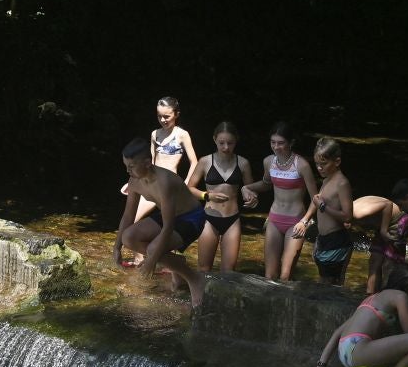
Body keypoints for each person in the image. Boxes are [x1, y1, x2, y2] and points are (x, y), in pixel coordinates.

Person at [114, 137, 219, 307]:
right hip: (169, 216)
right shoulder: (134, 181)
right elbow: (128, 216)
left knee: (154, 249)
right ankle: (177, 264)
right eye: (126, 165)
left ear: (148, 163)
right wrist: (117, 247)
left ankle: (194, 279)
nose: (127, 170)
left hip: (191, 217)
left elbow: (168, 226)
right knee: (129, 237)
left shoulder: (164, 182)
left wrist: (151, 262)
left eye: (131, 166)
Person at [242, 122, 320, 281]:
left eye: (281, 143)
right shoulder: (269, 161)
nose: (276, 147)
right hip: (274, 219)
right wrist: (246, 188)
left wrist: (305, 221)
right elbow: (266, 183)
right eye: (273, 142)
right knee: (269, 275)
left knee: (285, 275)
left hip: (296, 221)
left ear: (291, 143)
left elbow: (316, 198)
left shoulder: (302, 165)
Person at [119, 96, 199, 246]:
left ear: (176, 114)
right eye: (159, 116)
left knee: (171, 222)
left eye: (166, 116)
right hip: (151, 182)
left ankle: (165, 261)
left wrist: (188, 183)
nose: (163, 120)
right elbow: (148, 162)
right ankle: (140, 258)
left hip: (169, 186)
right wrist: (133, 182)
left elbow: (194, 162)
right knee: (133, 219)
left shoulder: (182, 134)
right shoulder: (155, 134)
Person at [187, 122, 255, 273]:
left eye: (230, 143)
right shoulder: (205, 161)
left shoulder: (243, 163)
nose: (226, 147)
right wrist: (207, 195)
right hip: (209, 218)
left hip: (232, 219)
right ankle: (201, 297)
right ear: (214, 140)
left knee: (228, 271)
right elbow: (189, 188)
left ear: (236, 141)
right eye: (221, 143)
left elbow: (251, 190)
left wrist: (251, 198)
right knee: (204, 269)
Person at [310, 138, 355, 285]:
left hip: (336, 240)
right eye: (317, 164)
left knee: (329, 284)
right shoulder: (326, 180)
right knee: (325, 283)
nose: (319, 168)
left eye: (323, 164)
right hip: (324, 240)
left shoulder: (342, 183)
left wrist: (323, 207)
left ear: (337, 161)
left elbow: (347, 216)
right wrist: (318, 240)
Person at [350, 195, 408, 294]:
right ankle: (370, 296)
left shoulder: (358, 213)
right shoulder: (348, 210)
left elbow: (388, 204)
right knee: (374, 261)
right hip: (383, 223)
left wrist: (383, 230)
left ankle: (393, 296)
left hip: (397, 220)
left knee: (390, 263)